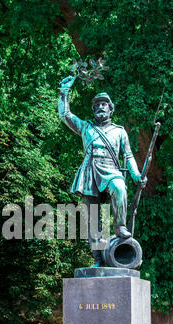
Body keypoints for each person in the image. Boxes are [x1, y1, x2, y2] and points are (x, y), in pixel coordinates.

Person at [58, 75, 146, 267]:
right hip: (89, 172)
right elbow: (65, 115)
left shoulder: (119, 131)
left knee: (120, 188)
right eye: (97, 104)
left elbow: (129, 156)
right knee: (92, 217)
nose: (100, 107)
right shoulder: (86, 127)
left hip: (111, 170)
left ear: (110, 109)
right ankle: (98, 258)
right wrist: (64, 92)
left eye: (104, 104)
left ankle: (120, 226)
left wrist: (136, 175)